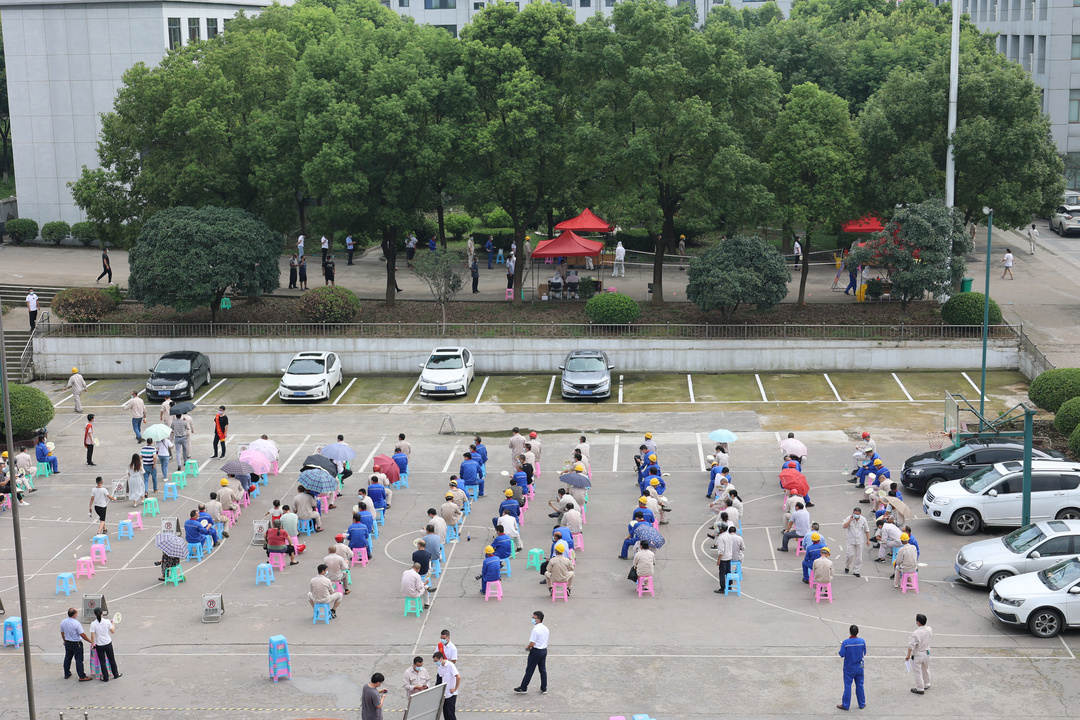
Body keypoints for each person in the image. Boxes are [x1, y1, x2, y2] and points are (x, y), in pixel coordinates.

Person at [514, 610, 549, 694]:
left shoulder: (535, 629)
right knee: (543, 670)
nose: (532, 619)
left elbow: (532, 643)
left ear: (539, 619)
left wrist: (528, 648)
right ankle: (544, 688)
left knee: (529, 670)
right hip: (544, 650)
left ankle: (523, 688)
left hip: (536, 652)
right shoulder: (546, 628)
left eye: (534, 618)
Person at [837, 624, 867, 710]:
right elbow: (864, 653)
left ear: (850, 632)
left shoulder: (846, 642)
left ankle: (846, 705)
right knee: (860, 685)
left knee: (848, 686)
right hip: (860, 666)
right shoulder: (862, 641)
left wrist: (842, 645)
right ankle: (862, 703)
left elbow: (841, 654)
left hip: (849, 667)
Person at [61, 607, 93, 681]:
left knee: (67, 658)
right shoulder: (76, 623)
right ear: (74, 614)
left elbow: (62, 633)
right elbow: (82, 635)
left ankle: (67, 673)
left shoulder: (63, 622)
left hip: (68, 642)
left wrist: (64, 640)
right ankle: (82, 676)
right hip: (76, 643)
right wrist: (90, 641)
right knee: (79, 660)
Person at [89, 607, 120, 682]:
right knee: (111, 659)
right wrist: (113, 624)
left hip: (99, 645)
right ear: (102, 613)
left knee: (102, 662)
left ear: (95, 614)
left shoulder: (93, 624)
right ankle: (116, 674)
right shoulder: (107, 621)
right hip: (108, 643)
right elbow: (112, 631)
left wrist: (93, 645)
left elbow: (92, 636)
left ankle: (105, 678)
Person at [906, 614, 933, 694]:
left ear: (918, 622)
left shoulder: (916, 633)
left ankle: (920, 688)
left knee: (917, 672)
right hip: (927, 652)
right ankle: (927, 683)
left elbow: (911, 646)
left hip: (918, 654)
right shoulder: (929, 629)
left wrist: (908, 656)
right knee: (925, 669)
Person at [842, 506, 871, 577]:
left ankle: (856, 571)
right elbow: (844, 526)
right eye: (855, 513)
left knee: (859, 557)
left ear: (860, 514)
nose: (856, 515)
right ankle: (847, 566)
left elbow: (867, 530)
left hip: (859, 541)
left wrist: (868, 540)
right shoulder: (849, 518)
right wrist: (850, 521)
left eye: (857, 514)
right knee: (850, 555)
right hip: (850, 540)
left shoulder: (863, 520)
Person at [433, 651, 460, 720]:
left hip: (451, 694)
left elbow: (458, 677)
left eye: (436, 661)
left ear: (441, 658)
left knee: (450, 714)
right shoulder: (440, 667)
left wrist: (455, 689)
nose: (436, 662)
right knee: (446, 714)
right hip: (444, 694)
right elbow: (439, 680)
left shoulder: (450, 665)